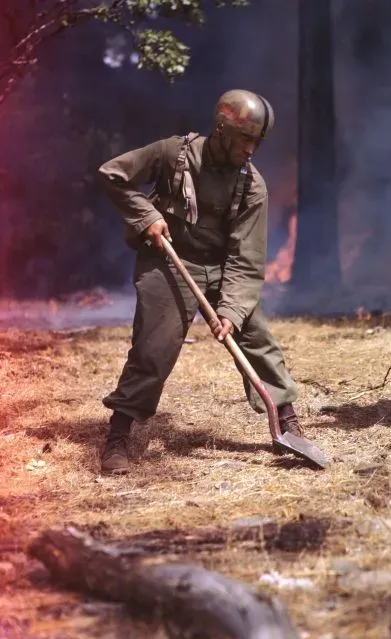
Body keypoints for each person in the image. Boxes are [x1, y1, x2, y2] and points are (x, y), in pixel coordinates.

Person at [97, 89, 301, 475]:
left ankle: (287, 423)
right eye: (246, 139)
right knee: (154, 349)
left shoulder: (252, 186)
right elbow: (113, 174)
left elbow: (247, 259)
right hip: (169, 260)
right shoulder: (172, 154)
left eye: (257, 142)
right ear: (222, 130)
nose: (251, 149)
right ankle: (117, 438)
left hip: (223, 269)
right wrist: (145, 216)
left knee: (259, 341)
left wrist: (232, 312)